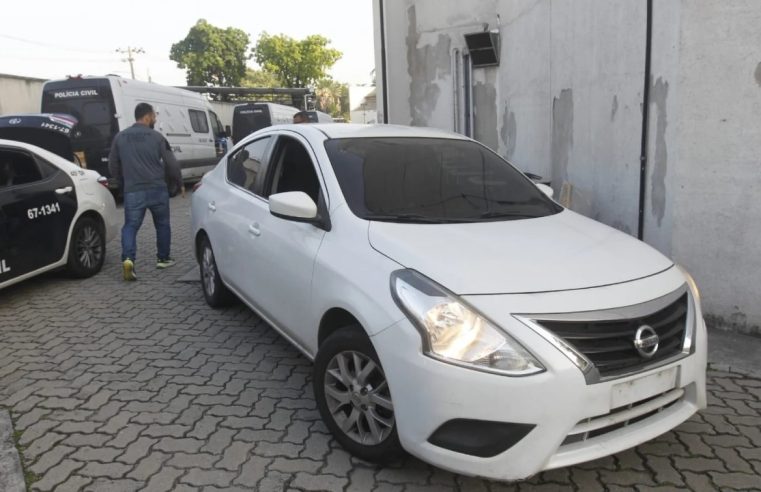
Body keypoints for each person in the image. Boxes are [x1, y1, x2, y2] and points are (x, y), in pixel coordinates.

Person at [108, 103, 181, 281]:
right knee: (162, 224)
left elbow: (113, 164)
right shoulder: (157, 137)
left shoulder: (120, 137)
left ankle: (128, 260)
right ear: (147, 117)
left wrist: (120, 181)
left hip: (133, 191)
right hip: (157, 189)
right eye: (154, 116)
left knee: (130, 226)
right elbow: (171, 164)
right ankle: (163, 258)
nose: (155, 119)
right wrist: (177, 183)